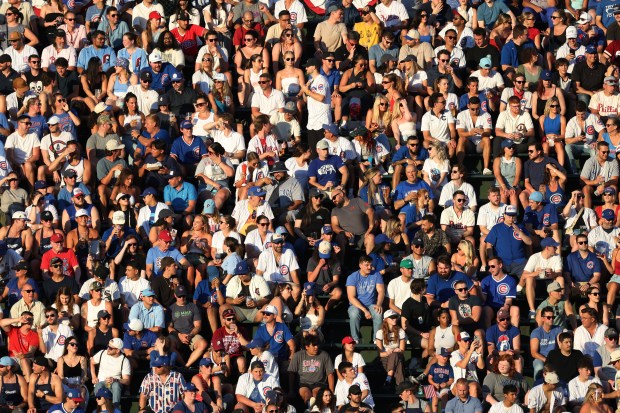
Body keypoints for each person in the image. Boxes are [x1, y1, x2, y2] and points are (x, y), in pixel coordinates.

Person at [288, 334, 334, 409]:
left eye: (317, 345)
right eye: (314, 346)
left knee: (316, 394)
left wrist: (331, 391)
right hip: (303, 383)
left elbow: (330, 374)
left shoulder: (324, 355)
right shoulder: (298, 355)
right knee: (306, 394)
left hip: (319, 383)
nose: (316, 347)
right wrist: (291, 390)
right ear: (307, 347)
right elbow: (291, 373)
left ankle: (315, 409)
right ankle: (310, 408)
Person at [346, 255, 384, 343]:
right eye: (366, 265)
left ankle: (376, 339)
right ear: (360, 265)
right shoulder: (352, 277)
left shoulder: (376, 274)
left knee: (378, 313)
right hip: (356, 305)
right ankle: (355, 339)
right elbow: (351, 297)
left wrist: (378, 304)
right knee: (354, 314)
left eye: (370, 265)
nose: (369, 267)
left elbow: (381, 291)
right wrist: (364, 310)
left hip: (371, 304)